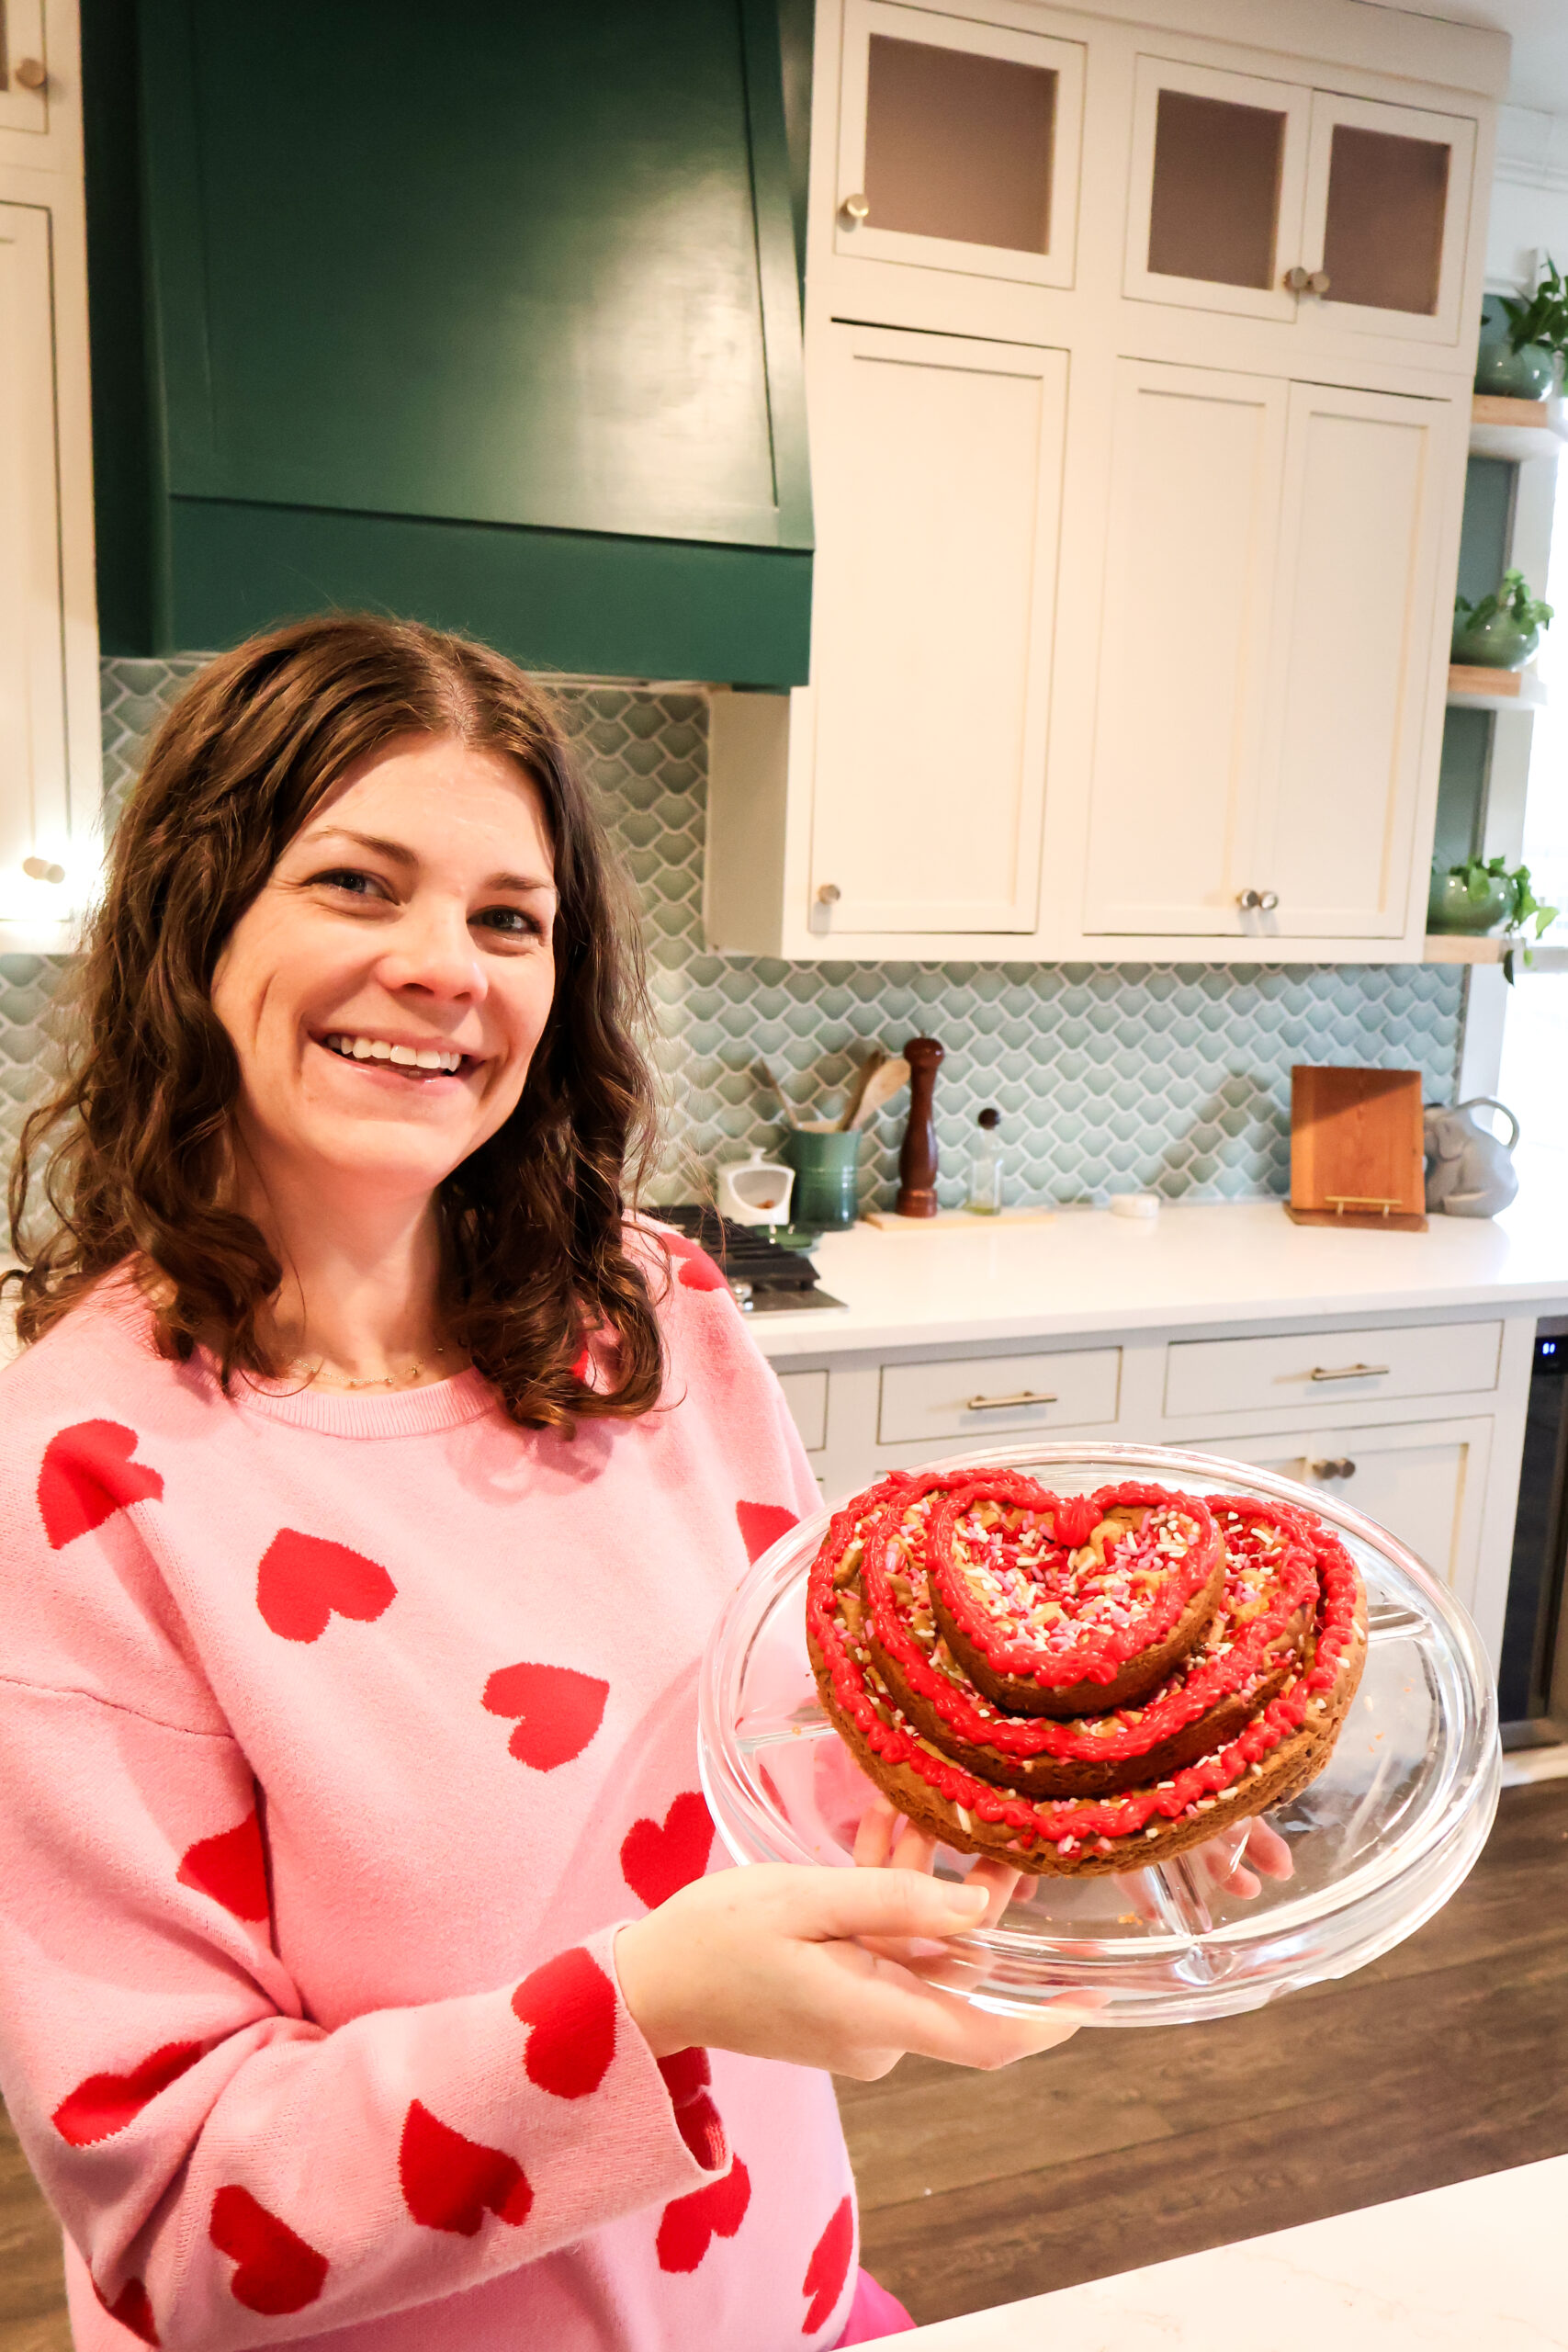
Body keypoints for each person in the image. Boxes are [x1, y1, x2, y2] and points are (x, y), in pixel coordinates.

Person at [0, 617, 1285, 2351]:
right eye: (359, 884)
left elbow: (810, 1766)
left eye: (506, 916)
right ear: (197, 918)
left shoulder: (644, 1314)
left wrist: (1057, 1831)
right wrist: (656, 2005)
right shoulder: (87, 1481)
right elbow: (179, 2221)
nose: (447, 967)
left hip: (779, 2309)